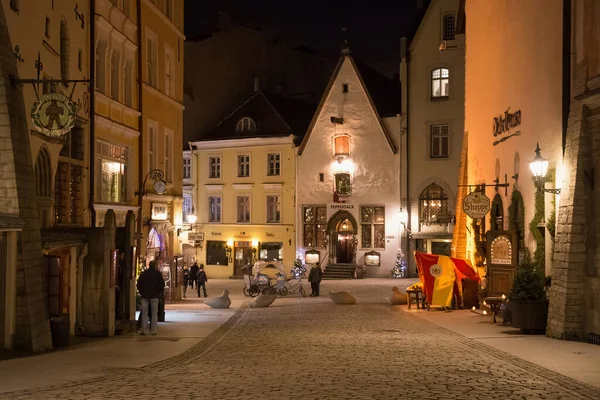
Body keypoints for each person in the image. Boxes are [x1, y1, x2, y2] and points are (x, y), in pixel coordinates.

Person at [136, 260, 165, 336]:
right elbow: (162, 284)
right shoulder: (158, 274)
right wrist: (158, 292)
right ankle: (153, 331)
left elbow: (139, 284)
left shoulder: (144, 274)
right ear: (155, 266)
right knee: (154, 314)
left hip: (145, 296)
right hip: (154, 296)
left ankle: (144, 331)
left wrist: (142, 292)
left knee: (144, 314)